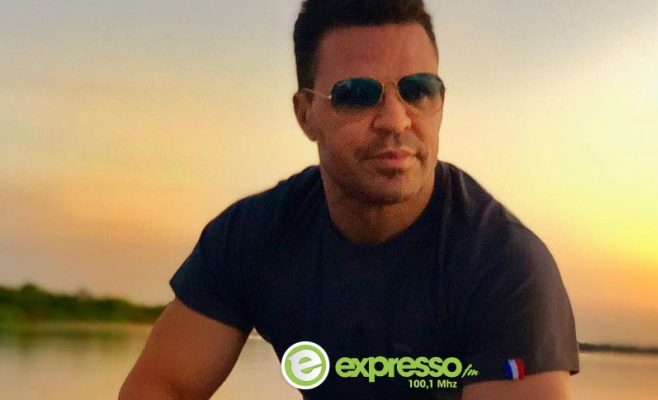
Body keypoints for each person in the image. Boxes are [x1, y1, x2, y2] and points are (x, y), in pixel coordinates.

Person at [119, 0, 579, 399]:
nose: (395, 120)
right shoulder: (255, 236)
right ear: (305, 114)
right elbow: (162, 386)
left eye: (419, 90)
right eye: (357, 94)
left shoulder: (505, 268)